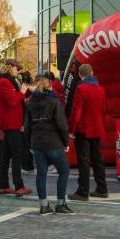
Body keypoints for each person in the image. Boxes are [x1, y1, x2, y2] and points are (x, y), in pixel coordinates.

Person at [25, 76, 74, 215]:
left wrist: (29, 144)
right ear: (49, 87)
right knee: (64, 171)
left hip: (37, 143)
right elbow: (62, 125)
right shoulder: (54, 102)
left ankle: (43, 205)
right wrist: (66, 142)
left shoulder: (30, 103)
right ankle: (60, 204)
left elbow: (27, 126)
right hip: (53, 142)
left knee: (41, 174)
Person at [68, 64, 108, 201]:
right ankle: (102, 188)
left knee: (84, 161)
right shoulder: (101, 89)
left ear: (80, 75)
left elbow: (76, 111)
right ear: (92, 72)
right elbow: (103, 109)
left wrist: (71, 130)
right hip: (97, 128)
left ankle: (83, 191)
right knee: (97, 159)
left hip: (84, 129)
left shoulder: (81, 89)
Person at [0, 59, 32, 197]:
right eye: (17, 68)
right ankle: (19, 186)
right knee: (17, 153)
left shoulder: (12, 81)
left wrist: (25, 90)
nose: (19, 71)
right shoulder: (4, 82)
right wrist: (22, 92)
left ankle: (3, 185)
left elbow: (17, 98)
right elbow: (11, 101)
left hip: (13, 122)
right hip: (11, 123)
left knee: (6, 155)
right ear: (10, 67)